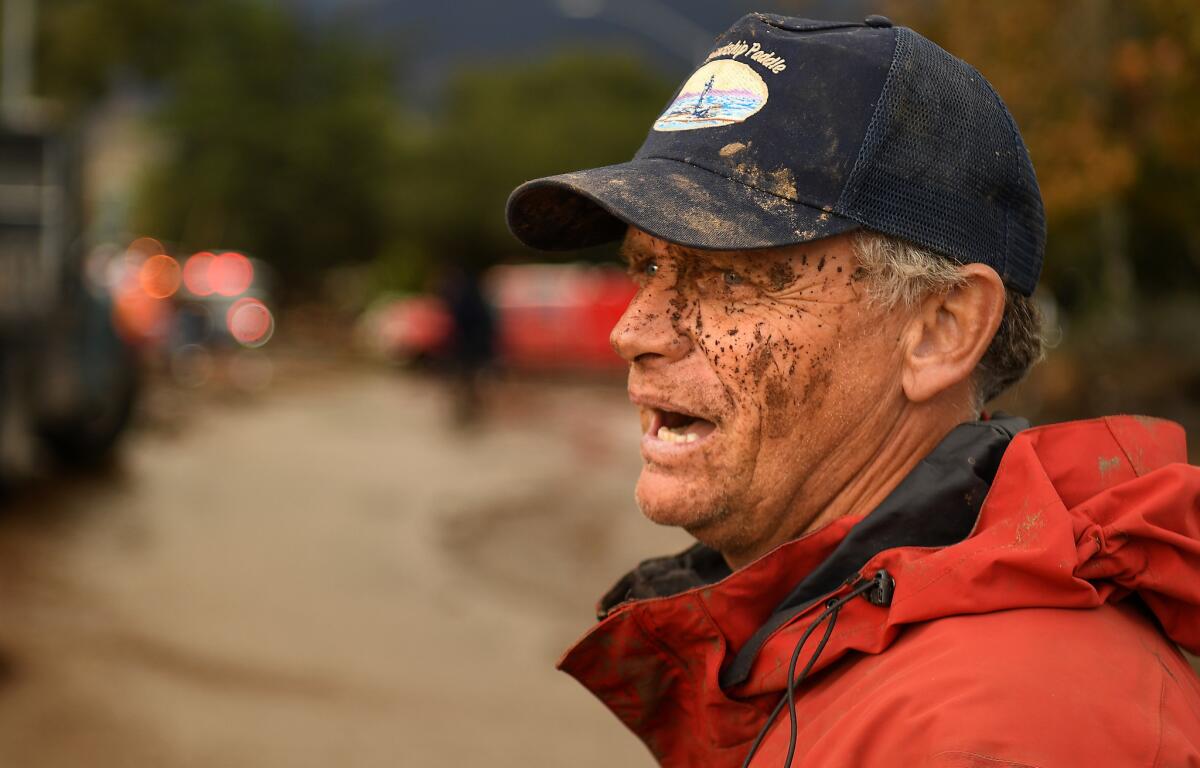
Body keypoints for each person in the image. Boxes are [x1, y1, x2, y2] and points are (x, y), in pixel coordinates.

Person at [505, 12, 1200, 768]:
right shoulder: (826, 640)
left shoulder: (998, 733)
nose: (634, 330)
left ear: (942, 329)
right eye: (644, 266)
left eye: (730, 275)